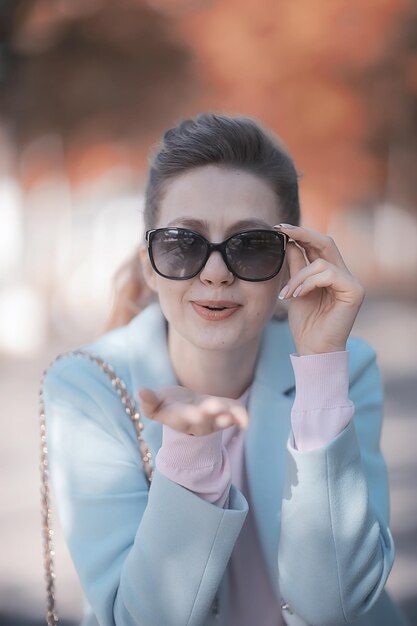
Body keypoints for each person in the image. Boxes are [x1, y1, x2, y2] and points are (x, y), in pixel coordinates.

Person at [43, 113, 408, 626]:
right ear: (149, 261)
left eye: (251, 245)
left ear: (290, 262)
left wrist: (321, 369)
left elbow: (336, 606)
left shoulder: (346, 367)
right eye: (182, 242)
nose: (215, 273)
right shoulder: (87, 386)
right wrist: (191, 455)